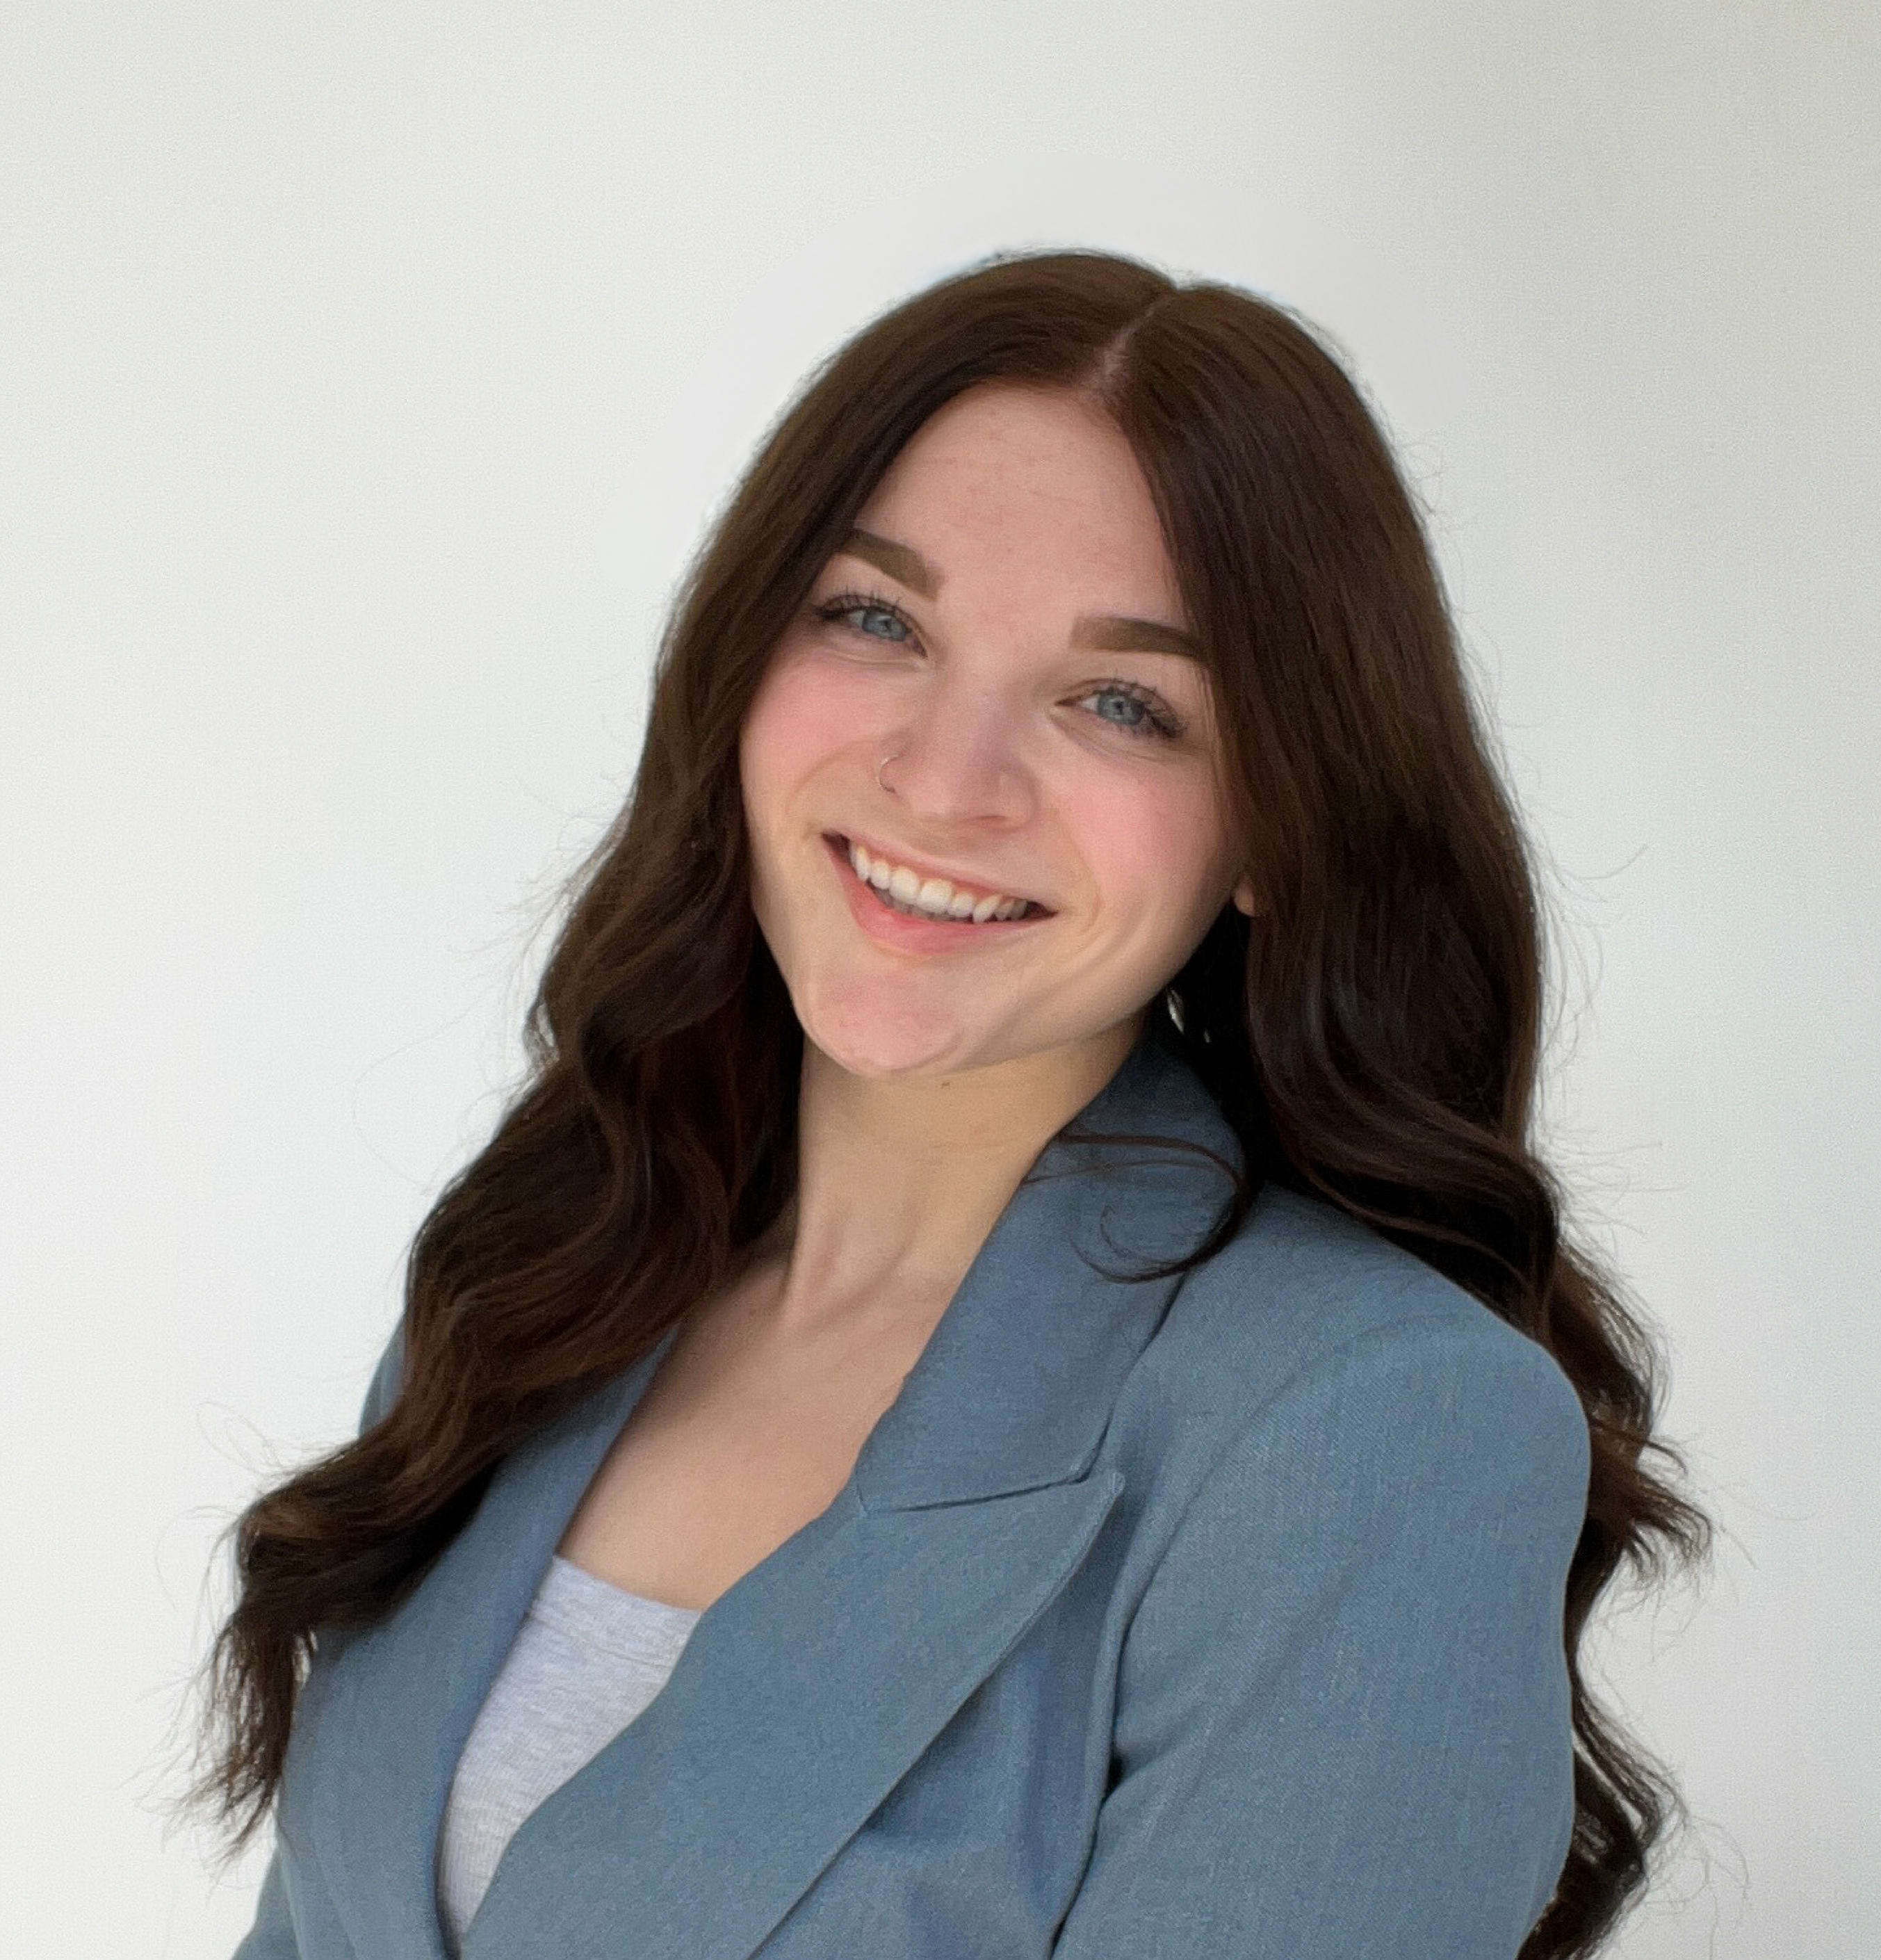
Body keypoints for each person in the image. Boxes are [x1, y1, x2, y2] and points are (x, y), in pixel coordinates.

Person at [184, 247, 1708, 1959]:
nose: (944, 779)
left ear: (1279, 825)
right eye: (877, 619)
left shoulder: (1373, 1434)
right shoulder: (550, 1273)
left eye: (1122, 702)